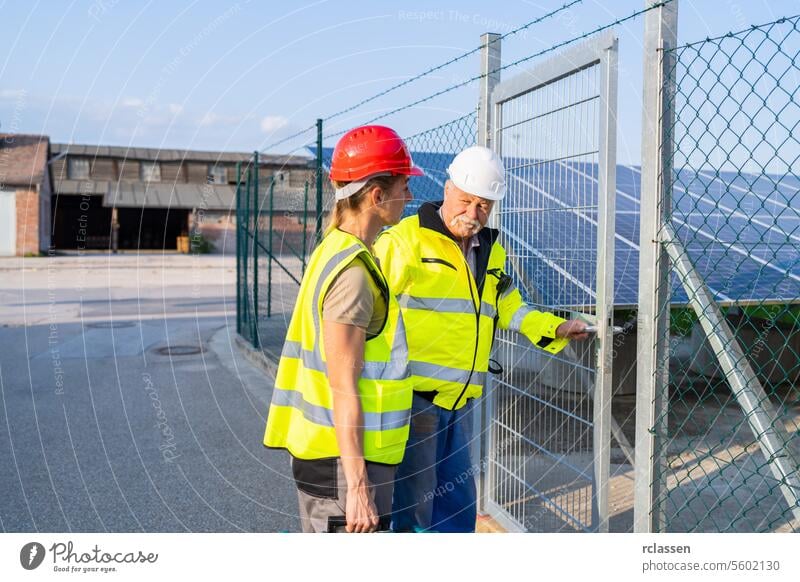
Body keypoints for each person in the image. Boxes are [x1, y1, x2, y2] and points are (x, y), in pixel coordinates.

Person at [373, 145, 590, 533]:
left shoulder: (492, 251)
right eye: (466, 201)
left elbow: (510, 307)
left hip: (460, 404)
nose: (473, 214)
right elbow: (369, 319)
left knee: (456, 510)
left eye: (484, 206)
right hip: (412, 403)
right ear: (447, 188)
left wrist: (555, 327)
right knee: (412, 512)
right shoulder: (405, 242)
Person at [263, 125, 422, 533]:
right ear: (377, 195)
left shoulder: (332, 248)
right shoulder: (352, 273)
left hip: (334, 456)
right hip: (345, 464)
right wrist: (358, 489)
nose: (409, 197)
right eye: (404, 185)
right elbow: (342, 386)